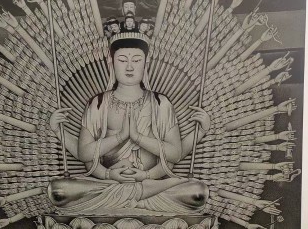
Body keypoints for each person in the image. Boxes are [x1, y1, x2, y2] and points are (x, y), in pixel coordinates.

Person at [48, 31, 211, 215]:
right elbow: (85, 154)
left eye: (137, 60)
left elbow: (174, 154)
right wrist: (117, 145)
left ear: (146, 63)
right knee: (59, 191)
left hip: (151, 183)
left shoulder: (160, 103)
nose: (129, 67)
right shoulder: (98, 103)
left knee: (197, 192)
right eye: (122, 60)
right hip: (108, 184)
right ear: (111, 63)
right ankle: (137, 200)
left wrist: (139, 142)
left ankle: (128, 200)